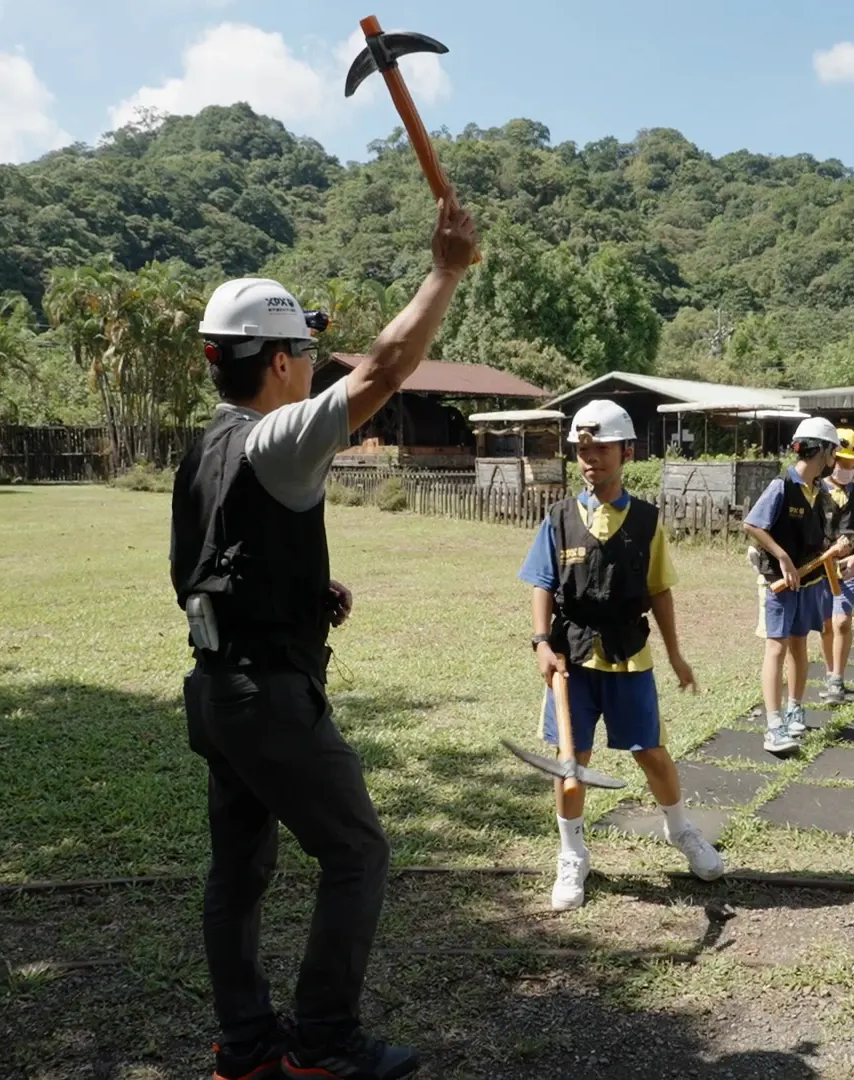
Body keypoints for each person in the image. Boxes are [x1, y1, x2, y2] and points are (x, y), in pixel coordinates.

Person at [172, 199, 476, 1080]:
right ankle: (325, 1044)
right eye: (305, 349)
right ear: (275, 361)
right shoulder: (277, 437)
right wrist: (445, 270)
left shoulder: (205, 450)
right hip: (269, 697)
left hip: (215, 691)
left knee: (239, 873)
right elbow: (384, 370)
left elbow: (211, 566)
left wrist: (303, 593)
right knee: (356, 850)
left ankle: (247, 1043)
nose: (314, 362)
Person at [520, 399, 722, 912]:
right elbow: (543, 582)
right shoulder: (559, 518)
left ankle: (681, 831)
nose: (590, 459)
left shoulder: (648, 520)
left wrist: (676, 654)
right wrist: (542, 643)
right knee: (572, 762)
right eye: (582, 450)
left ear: (626, 451)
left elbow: (660, 592)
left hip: (630, 654)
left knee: (650, 752)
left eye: (601, 448)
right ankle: (572, 855)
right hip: (572, 659)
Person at [746, 416, 853, 755]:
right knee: (776, 647)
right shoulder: (781, 486)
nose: (834, 459)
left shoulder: (820, 491)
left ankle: (795, 709)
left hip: (809, 580)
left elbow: (820, 536)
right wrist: (781, 557)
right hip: (779, 582)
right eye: (832, 452)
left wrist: (837, 548)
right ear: (821, 451)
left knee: (798, 645)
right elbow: (753, 524)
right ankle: (773, 725)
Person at [817, 427, 854, 706]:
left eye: (852, 464)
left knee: (842, 622)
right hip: (821, 568)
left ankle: (838, 677)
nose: (847, 468)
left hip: (848, 568)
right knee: (826, 624)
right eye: (842, 462)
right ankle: (829, 672)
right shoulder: (816, 491)